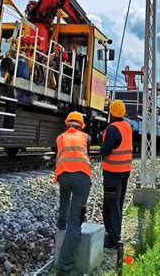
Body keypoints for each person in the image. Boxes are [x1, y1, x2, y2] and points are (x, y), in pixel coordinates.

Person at [54, 111, 92, 274]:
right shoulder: (86, 137)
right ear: (81, 125)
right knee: (75, 221)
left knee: (64, 202)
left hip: (63, 176)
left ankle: (60, 230)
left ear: (67, 123)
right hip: (82, 178)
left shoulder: (60, 138)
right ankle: (65, 265)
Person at [100, 99, 133, 249]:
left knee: (111, 206)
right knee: (118, 204)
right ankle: (115, 234)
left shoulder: (112, 128)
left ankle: (113, 240)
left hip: (112, 173)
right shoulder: (127, 126)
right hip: (125, 172)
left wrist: (102, 145)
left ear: (111, 113)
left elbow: (105, 150)